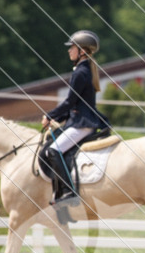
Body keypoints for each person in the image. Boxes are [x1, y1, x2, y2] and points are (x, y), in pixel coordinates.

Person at [41, 30, 109, 207]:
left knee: (53, 151)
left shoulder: (80, 73)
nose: (69, 51)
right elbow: (75, 103)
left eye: (72, 47)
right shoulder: (84, 70)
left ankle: (69, 191)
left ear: (83, 52)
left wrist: (50, 115)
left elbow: (70, 101)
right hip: (80, 120)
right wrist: (57, 117)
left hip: (82, 124)